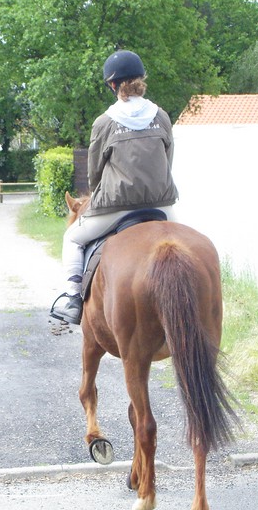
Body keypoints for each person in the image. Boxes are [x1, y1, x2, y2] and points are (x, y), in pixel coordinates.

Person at [50, 49, 178, 325]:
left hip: (116, 208)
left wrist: (99, 194)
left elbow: (94, 174)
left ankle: (72, 298)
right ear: (141, 80)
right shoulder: (162, 116)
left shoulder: (105, 122)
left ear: (112, 84)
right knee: (184, 246)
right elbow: (168, 162)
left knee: (72, 238)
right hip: (161, 205)